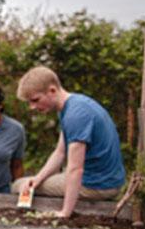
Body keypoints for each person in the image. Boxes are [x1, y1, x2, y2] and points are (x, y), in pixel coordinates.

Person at [13, 66, 125, 218]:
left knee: (18, 185)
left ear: (52, 90)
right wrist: (37, 178)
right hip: (104, 180)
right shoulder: (73, 106)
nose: (32, 107)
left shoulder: (75, 116)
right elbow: (60, 153)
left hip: (98, 185)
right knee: (30, 183)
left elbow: (75, 169)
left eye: (35, 100)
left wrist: (65, 212)